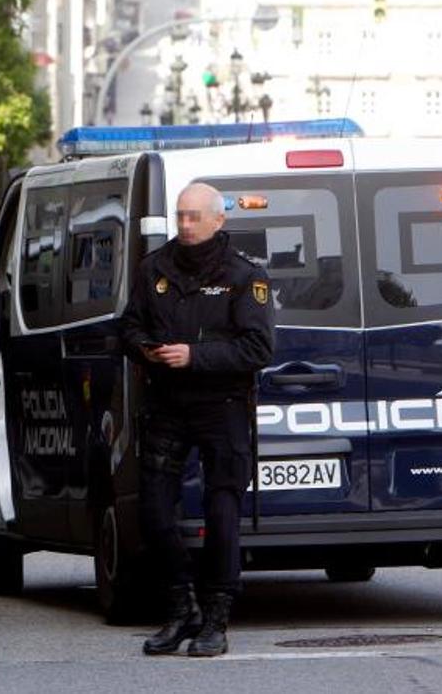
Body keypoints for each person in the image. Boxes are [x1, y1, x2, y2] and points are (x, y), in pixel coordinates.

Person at [120, 182, 275, 658]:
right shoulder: (155, 268)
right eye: (180, 216)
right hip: (167, 402)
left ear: (218, 221)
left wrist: (195, 356)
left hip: (221, 405)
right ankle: (179, 607)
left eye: (194, 217)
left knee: (222, 511)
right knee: (153, 510)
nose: (185, 225)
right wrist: (147, 350)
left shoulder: (244, 276)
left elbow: (259, 348)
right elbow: (128, 326)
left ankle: (216, 618)